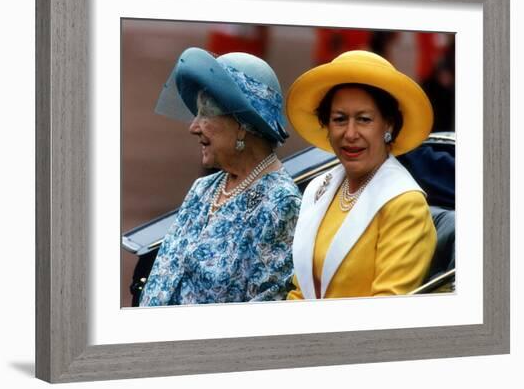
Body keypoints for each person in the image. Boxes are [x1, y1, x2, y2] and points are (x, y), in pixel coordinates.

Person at [139, 47, 301, 306]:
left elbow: (264, 312)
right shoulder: (203, 188)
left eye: (206, 113)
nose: (193, 127)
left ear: (242, 125)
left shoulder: (280, 204)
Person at [285, 50, 436, 300]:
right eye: (340, 119)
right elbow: (301, 291)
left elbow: (387, 308)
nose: (351, 133)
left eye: (364, 120)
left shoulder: (404, 203)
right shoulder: (318, 188)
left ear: (388, 125)